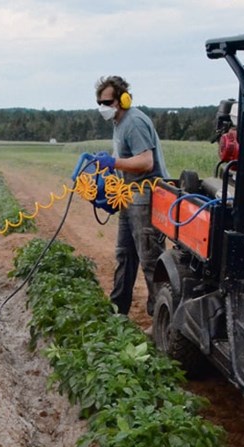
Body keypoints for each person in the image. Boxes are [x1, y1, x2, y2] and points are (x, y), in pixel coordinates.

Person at [93, 75, 169, 318]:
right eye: (100, 103)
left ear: (122, 99)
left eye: (107, 102)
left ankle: (160, 321)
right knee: (124, 254)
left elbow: (146, 161)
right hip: (129, 195)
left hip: (145, 196)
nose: (103, 107)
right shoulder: (119, 122)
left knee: (150, 259)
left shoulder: (134, 122)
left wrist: (114, 162)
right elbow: (126, 161)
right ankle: (118, 311)